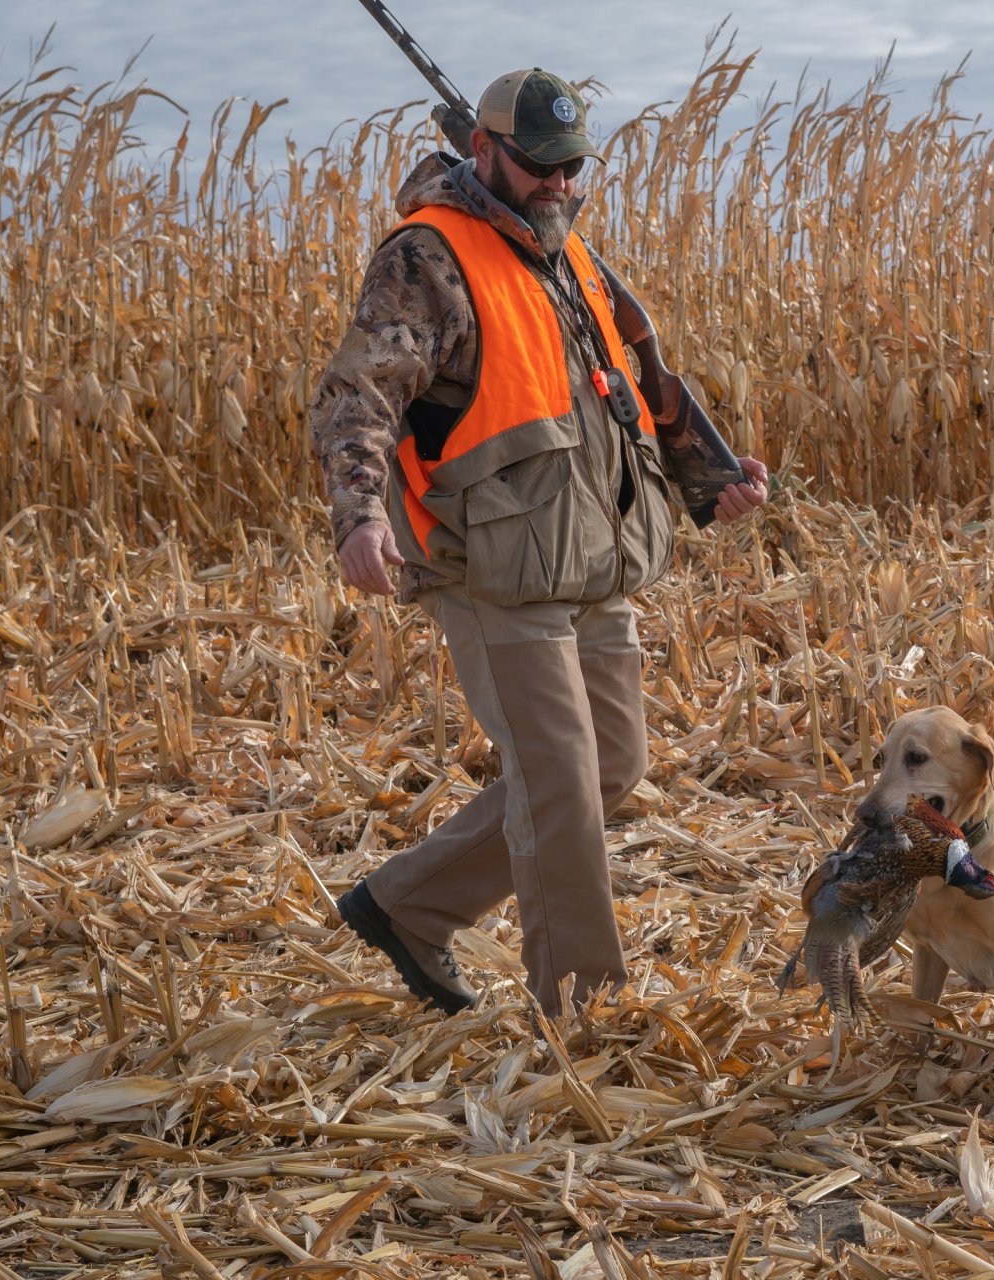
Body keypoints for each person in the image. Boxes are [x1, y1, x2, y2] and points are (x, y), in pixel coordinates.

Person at [308, 67, 768, 1017]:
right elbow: (358, 394)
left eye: (571, 167)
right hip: (488, 564)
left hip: (588, 555)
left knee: (611, 767)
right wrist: (359, 516)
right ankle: (585, 1013)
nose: (559, 184)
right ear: (481, 150)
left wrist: (707, 478)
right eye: (539, 167)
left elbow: (622, 390)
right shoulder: (427, 259)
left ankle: (408, 906)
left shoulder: (568, 255)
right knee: (557, 778)